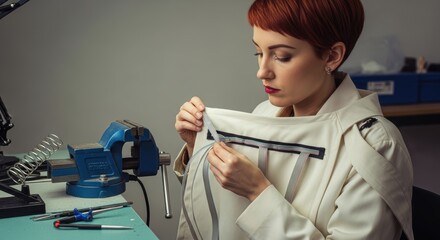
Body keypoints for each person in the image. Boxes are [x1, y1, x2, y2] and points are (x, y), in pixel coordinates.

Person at [174, 0, 413, 239]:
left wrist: (258, 191)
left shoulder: (375, 146)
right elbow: (220, 212)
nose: (262, 71)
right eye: (259, 52)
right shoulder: (263, 114)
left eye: (282, 56)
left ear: (332, 56)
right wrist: (200, 149)